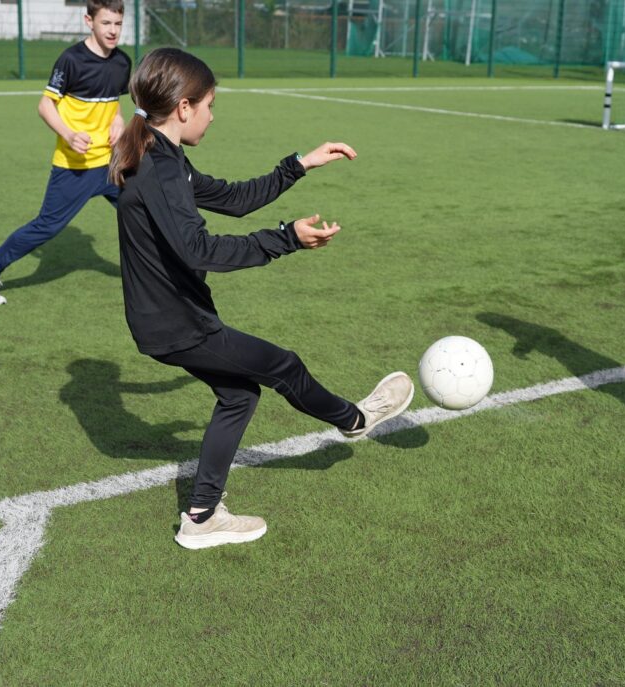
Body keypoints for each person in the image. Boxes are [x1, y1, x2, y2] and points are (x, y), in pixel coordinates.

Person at [109, 48, 414, 550]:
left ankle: (202, 515)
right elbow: (199, 250)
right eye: (209, 105)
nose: (212, 115)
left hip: (169, 319)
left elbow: (233, 199)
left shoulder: (165, 156)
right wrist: (286, 238)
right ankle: (355, 420)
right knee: (282, 365)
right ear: (183, 108)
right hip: (178, 323)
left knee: (239, 395)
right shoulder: (158, 169)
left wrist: (299, 165)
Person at [0, 0, 130, 306]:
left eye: (117, 23)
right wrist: (69, 134)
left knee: (142, 207)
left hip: (110, 163)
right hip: (74, 167)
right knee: (47, 226)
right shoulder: (71, 60)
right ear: (88, 21)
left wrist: (118, 121)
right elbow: (45, 105)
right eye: (106, 23)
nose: (113, 30)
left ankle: (167, 268)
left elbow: (113, 103)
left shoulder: (122, 62)